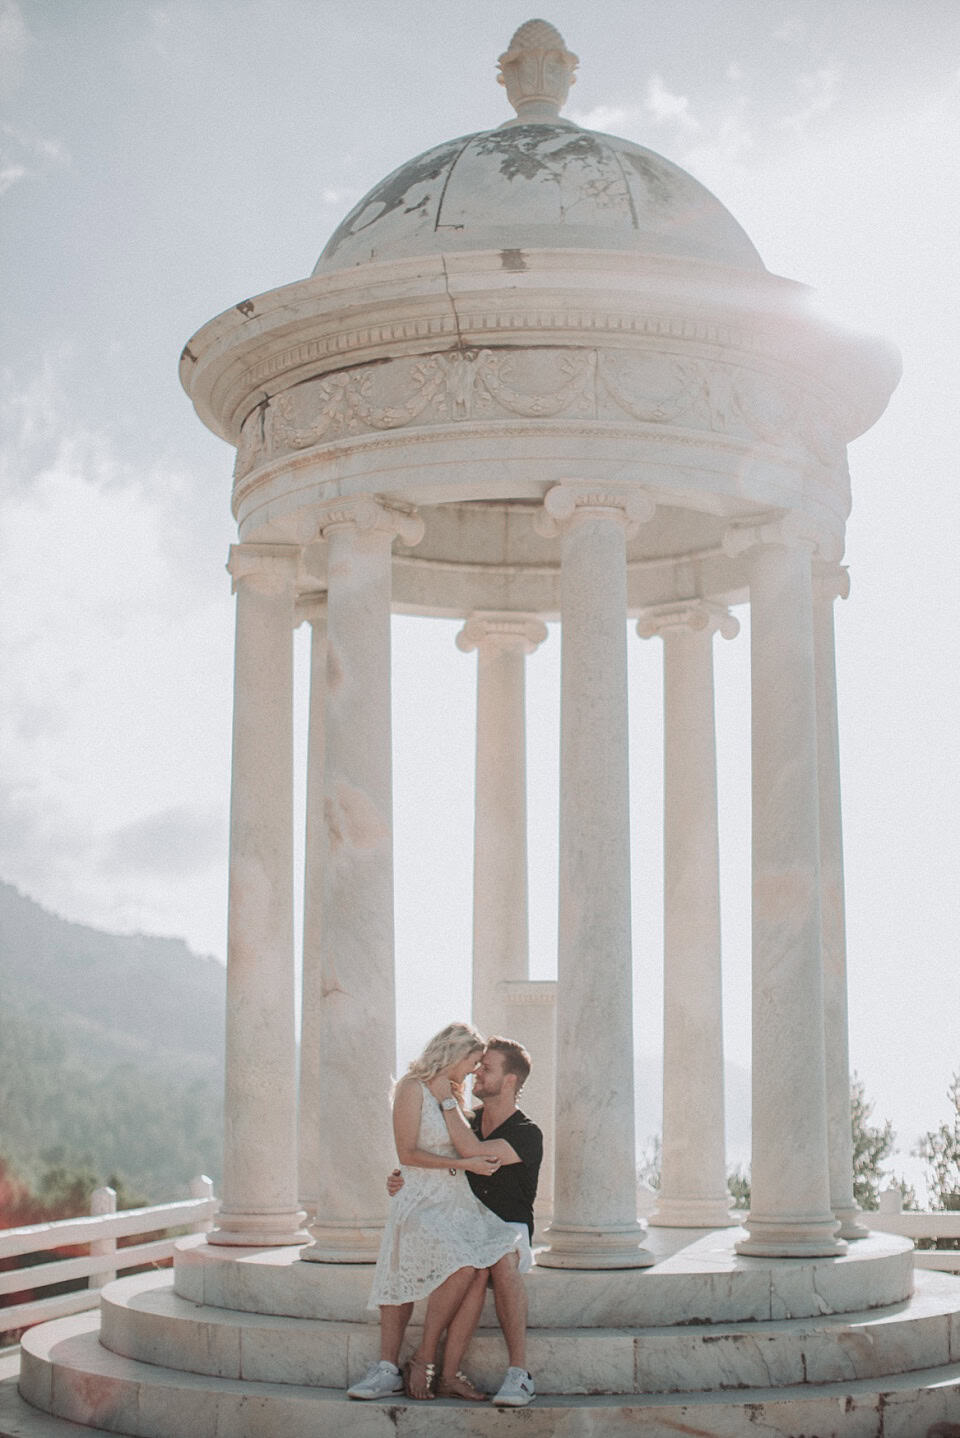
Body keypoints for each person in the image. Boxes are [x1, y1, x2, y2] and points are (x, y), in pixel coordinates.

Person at [347, 1022, 524, 1404]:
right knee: (459, 1265)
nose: (475, 1070)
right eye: (474, 1062)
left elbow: (463, 1147)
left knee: (477, 1267)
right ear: (454, 1055)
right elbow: (407, 1154)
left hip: (455, 1200)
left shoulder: (455, 1096)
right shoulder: (411, 1088)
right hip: (421, 1199)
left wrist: (452, 1110)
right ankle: (400, 1364)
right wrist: (461, 1166)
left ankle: (434, 1364)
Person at [386, 1036, 543, 1408]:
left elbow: (473, 1154)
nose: (476, 1073)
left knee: (499, 1258)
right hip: (464, 1221)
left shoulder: (527, 1133)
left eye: (486, 1069)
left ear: (510, 1081)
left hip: (509, 1227)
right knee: (472, 1261)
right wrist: (402, 1175)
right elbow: (434, 1157)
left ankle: (519, 1374)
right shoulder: (466, 1119)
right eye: (477, 1065)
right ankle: (440, 1369)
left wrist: (444, 1098)